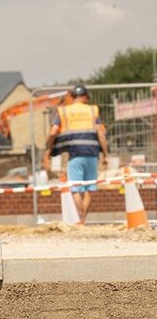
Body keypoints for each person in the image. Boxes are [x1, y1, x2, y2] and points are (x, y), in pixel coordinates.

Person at [44, 84, 109, 224]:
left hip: (75, 154)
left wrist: (49, 148)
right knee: (89, 188)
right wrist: (106, 154)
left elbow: (53, 132)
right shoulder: (92, 110)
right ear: (85, 97)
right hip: (92, 153)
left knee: (75, 189)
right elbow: (101, 134)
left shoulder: (64, 111)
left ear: (72, 97)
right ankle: (83, 220)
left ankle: (80, 220)